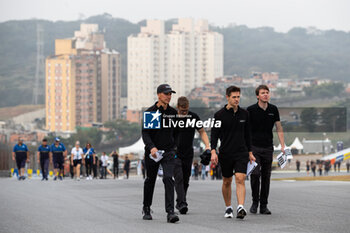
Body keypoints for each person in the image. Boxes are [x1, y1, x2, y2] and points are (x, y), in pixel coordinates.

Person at [211, 85, 256, 219]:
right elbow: (214, 135)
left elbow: (248, 135)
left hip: (241, 152)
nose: (237, 99)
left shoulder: (245, 114)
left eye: (238, 97)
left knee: (240, 178)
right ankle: (228, 207)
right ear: (227, 97)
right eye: (234, 97)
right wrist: (213, 151)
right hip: (225, 152)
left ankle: (240, 207)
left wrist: (250, 152)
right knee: (227, 181)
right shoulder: (219, 115)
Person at [141, 84, 179, 223]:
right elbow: (145, 133)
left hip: (168, 152)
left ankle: (170, 212)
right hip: (153, 152)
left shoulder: (173, 113)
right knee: (150, 180)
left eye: (170, 94)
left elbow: (176, 133)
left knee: (168, 178)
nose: (169, 97)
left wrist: (174, 147)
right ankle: (146, 207)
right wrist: (151, 147)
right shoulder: (152, 112)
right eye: (166, 94)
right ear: (159, 95)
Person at [247, 85, 285, 215]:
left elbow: (279, 127)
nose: (265, 95)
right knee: (255, 174)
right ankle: (254, 202)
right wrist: (247, 149)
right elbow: (245, 130)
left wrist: (283, 145)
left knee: (266, 176)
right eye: (262, 93)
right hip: (254, 147)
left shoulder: (273, 109)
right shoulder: (250, 110)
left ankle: (264, 205)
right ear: (257, 95)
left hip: (268, 147)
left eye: (267, 92)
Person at [173, 96, 210, 214]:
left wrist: (208, 146)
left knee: (185, 179)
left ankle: (180, 201)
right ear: (178, 107)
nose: (185, 112)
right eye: (182, 110)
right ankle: (183, 203)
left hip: (188, 153)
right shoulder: (172, 117)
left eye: (186, 110)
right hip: (175, 153)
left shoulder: (193, 117)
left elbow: (202, 132)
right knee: (178, 177)